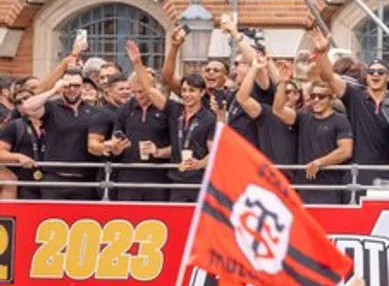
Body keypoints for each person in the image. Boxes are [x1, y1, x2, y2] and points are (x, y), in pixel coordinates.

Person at [128, 41, 217, 202]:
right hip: (176, 180)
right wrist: (137, 63)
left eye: (192, 91)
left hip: (199, 182)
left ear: (202, 93)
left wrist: (199, 164)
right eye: (184, 90)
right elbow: (150, 90)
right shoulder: (176, 110)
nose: (187, 95)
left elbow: (215, 153)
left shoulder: (209, 118)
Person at [311, 32, 389, 188]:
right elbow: (329, 77)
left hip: (385, 173)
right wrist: (322, 53)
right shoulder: (356, 97)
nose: (375, 74)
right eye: (371, 71)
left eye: (380, 72)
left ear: (388, 77)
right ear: (366, 77)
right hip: (356, 173)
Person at [19, 67, 102, 200]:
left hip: (86, 181)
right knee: (52, 220)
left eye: (76, 85)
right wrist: (53, 90)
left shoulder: (95, 112)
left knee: (82, 220)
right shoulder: (52, 107)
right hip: (54, 180)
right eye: (67, 85)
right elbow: (27, 107)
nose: (72, 89)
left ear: (82, 87)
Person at [275, 78, 353, 204]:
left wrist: (320, 162)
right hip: (304, 188)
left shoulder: (340, 120)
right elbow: (278, 110)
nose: (316, 100)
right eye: (312, 96)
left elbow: (346, 150)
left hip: (329, 188)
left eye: (321, 96)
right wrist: (282, 82)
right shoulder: (303, 118)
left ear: (331, 97)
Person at [110, 70, 172, 202]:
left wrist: (159, 152)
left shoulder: (167, 109)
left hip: (159, 178)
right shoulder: (124, 110)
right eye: (134, 92)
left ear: (153, 89)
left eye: (141, 92)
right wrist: (117, 148)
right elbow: (115, 142)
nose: (137, 96)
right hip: (128, 178)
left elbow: (178, 146)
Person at [234, 57, 299, 169]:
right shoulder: (266, 113)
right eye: (282, 91)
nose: (285, 95)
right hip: (270, 177)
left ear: (297, 95)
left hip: (297, 177)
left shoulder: (304, 116)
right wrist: (254, 68)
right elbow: (242, 98)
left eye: (288, 92)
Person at [0, 89, 45, 199]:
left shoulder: (55, 122)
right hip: (25, 184)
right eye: (18, 102)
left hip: (52, 183)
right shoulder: (14, 126)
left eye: (27, 98)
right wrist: (17, 157)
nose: (24, 103)